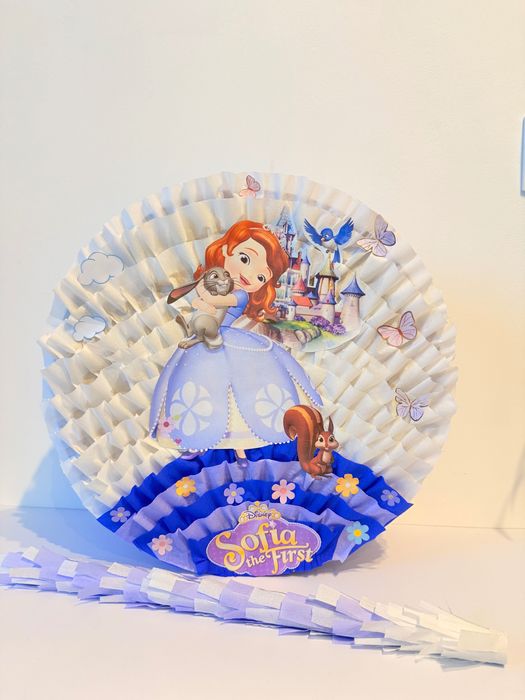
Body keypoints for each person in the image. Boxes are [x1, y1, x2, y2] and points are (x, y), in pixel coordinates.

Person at [149, 220, 322, 466]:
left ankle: (242, 451)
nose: (249, 276)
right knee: (199, 388)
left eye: (261, 276)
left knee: (240, 392)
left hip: (228, 340)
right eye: (244, 259)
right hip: (205, 342)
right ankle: (194, 439)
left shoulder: (239, 294)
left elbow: (215, 301)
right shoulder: (220, 282)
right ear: (225, 251)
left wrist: (201, 288)